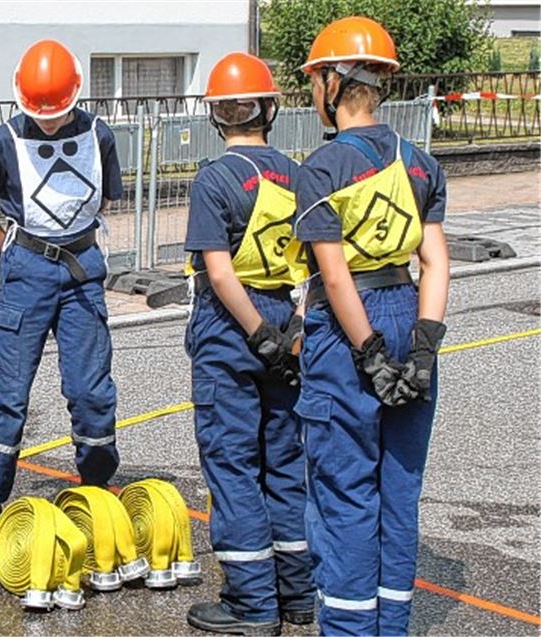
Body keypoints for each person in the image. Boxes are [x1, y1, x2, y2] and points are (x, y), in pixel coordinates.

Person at [293, 16, 450, 636]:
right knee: (398, 491)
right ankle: (392, 626)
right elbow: (434, 261)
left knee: (345, 496)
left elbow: (333, 278)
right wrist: (423, 350)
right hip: (411, 313)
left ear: (333, 81)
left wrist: (371, 354)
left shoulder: (322, 168)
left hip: (348, 330)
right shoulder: (420, 163)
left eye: (314, 80)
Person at [0, 39, 122, 556]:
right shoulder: (0, 142)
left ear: (75, 96)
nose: (48, 122)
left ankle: (97, 490)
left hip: (82, 270)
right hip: (26, 271)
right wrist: (8, 246)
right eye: (39, 114)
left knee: (91, 392)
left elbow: (106, 198)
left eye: (57, 114)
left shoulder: (100, 136)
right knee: (9, 394)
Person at [181, 52, 315, 636]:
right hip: (288, 318)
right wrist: (289, 332)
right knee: (285, 460)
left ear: (217, 116)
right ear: (271, 108)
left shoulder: (214, 179)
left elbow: (218, 270)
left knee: (233, 464)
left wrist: (255, 333)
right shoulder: (297, 173)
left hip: (231, 329)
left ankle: (252, 604)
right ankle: (297, 593)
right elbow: (316, 261)